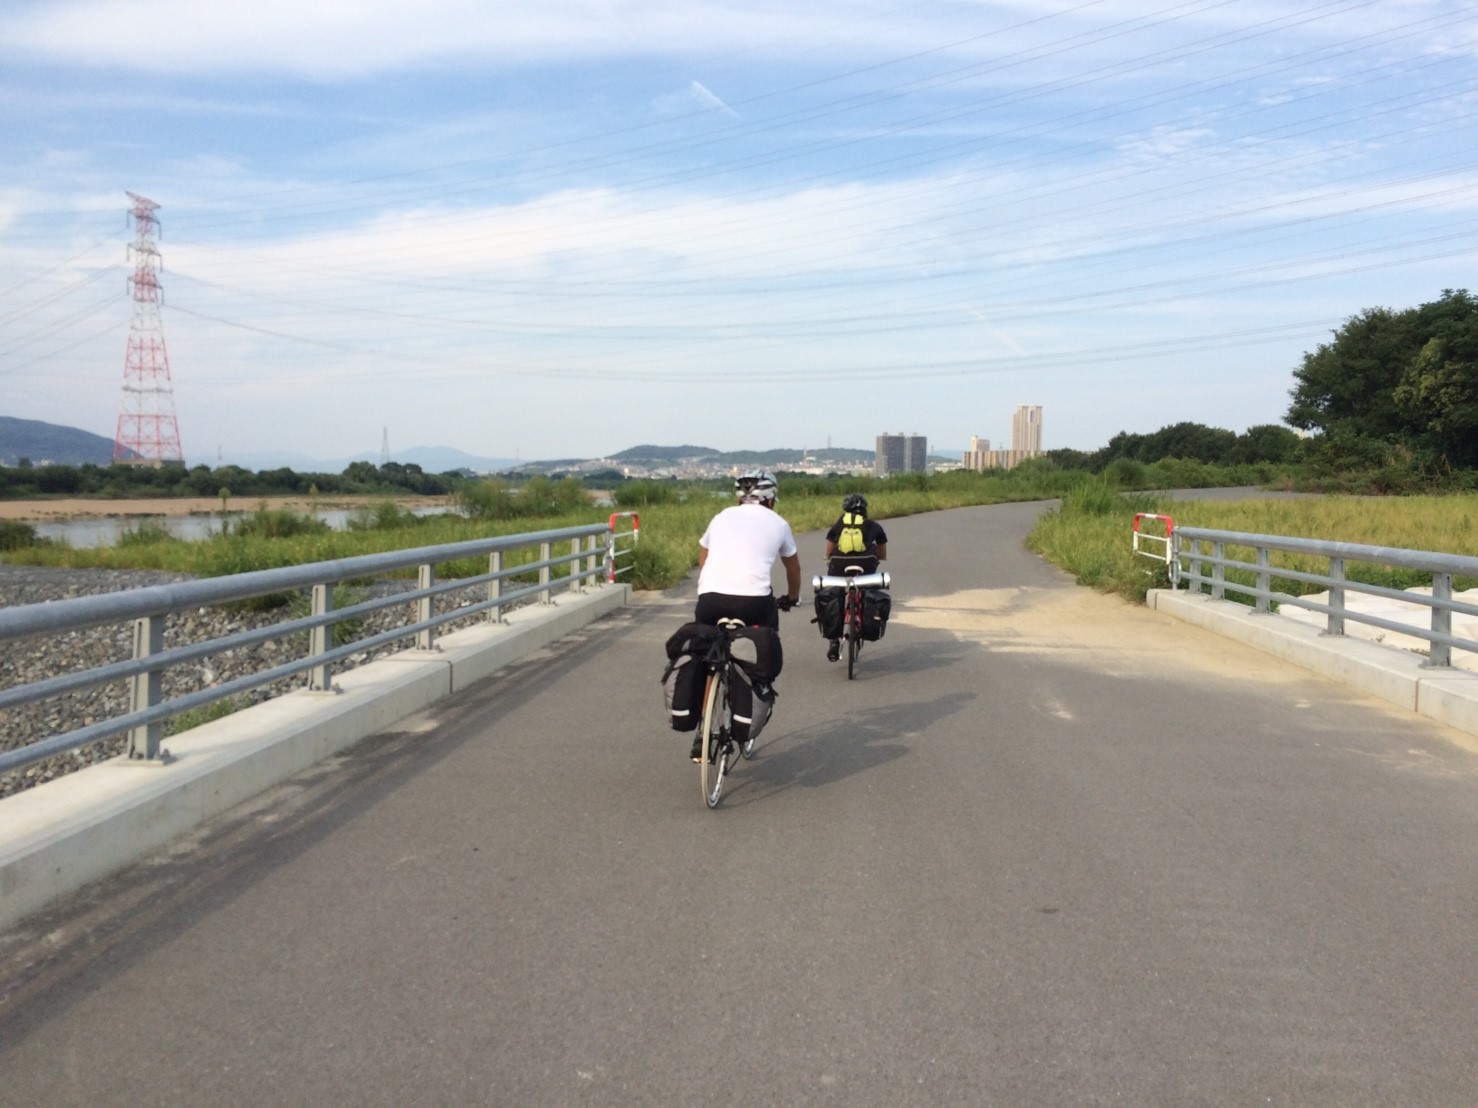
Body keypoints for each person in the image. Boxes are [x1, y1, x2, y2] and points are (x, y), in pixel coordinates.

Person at [691, 470, 802, 760]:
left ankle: (702, 733)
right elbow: (793, 569)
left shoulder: (720, 517)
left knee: (707, 656)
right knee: (765, 640)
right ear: (771, 499)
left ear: (739, 498)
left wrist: (716, 585)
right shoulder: (778, 523)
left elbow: (703, 559)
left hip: (710, 598)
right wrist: (792, 598)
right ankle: (759, 684)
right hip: (754, 602)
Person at [822, 493, 888, 662]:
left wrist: (829, 557)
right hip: (866, 565)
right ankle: (863, 619)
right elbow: (882, 550)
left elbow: (829, 548)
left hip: (839, 564)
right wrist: (879, 557)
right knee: (867, 588)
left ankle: (834, 641)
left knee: (835, 592)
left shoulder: (840, 523)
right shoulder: (872, 525)